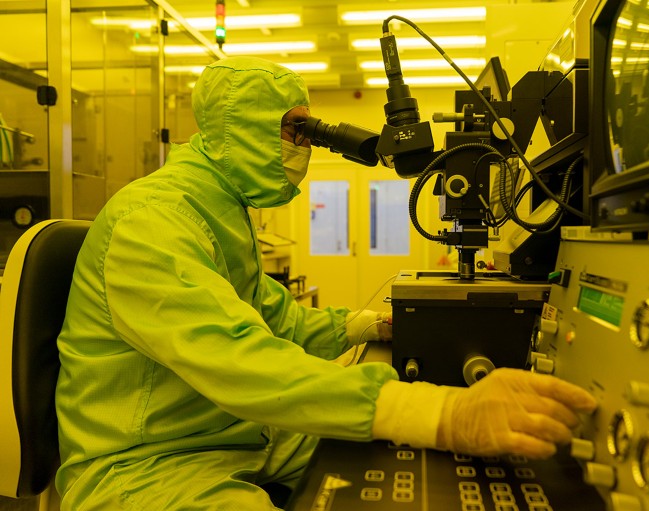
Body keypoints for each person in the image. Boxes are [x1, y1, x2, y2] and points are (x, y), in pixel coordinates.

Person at [55, 56, 597, 510]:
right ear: (241, 128)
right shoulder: (153, 221)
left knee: (384, 457)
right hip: (149, 462)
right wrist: (442, 412)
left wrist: (369, 325)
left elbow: (280, 321)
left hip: (237, 432)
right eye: (294, 130)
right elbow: (235, 360)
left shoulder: (224, 209)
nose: (305, 147)